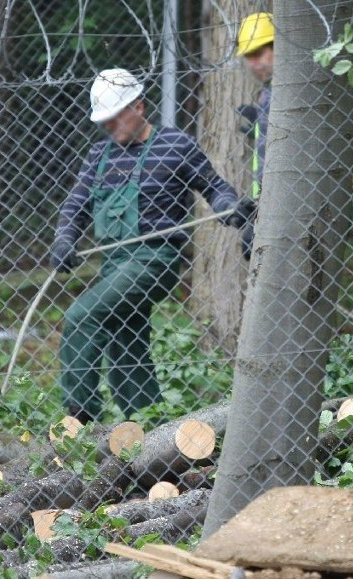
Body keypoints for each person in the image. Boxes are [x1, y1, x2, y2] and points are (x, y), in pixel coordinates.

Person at [50, 68, 255, 423]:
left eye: (115, 120)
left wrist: (227, 206)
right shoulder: (99, 156)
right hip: (114, 263)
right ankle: (149, 425)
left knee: (83, 315)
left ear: (139, 107)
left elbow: (215, 188)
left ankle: (78, 415)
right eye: (105, 123)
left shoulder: (174, 145)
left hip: (155, 259)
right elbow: (75, 205)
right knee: (124, 337)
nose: (110, 129)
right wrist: (65, 236)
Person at [234, 12, 274, 260]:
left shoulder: (293, 90)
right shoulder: (268, 93)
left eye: (259, 53)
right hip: (273, 198)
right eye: (249, 56)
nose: (254, 63)